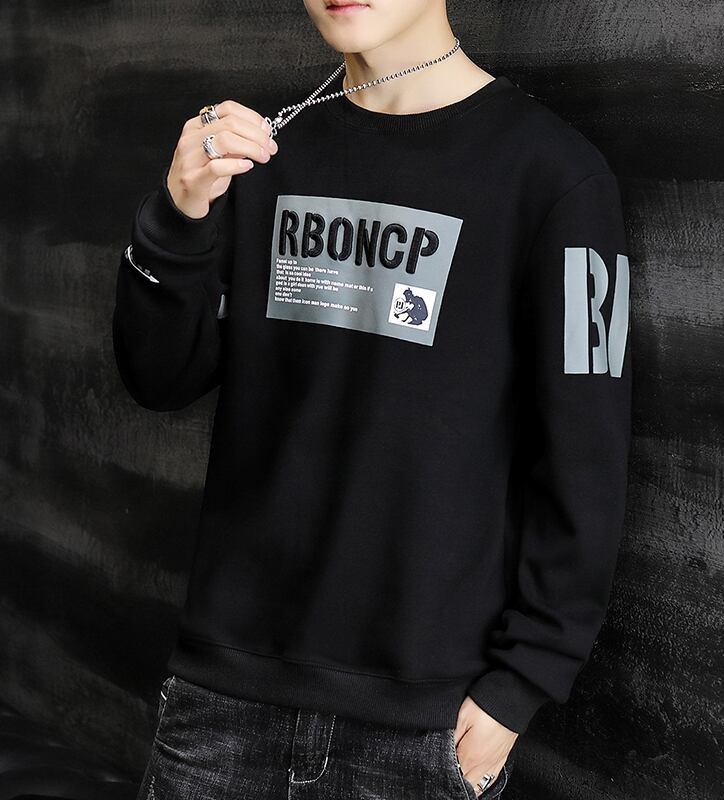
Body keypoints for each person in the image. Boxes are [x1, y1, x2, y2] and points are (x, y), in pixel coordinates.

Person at [113, 1, 632, 798]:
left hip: (424, 728)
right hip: (222, 702)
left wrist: (522, 684)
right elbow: (158, 378)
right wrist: (178, 213)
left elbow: (586, 459)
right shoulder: (261, 153)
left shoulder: (555, 176)